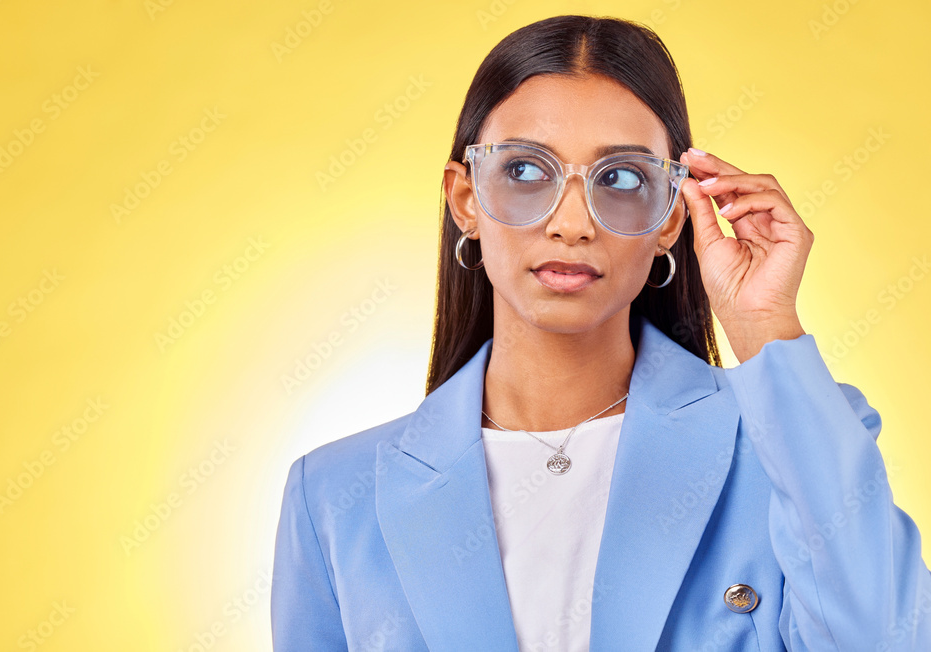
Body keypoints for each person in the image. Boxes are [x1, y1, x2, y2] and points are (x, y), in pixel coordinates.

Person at [271, 14, 931, 651]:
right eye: (526, 170)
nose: (572, 222)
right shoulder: (333, 495)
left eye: (620, 179)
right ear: (466, 198)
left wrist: (765, 326)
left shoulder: (789, 442)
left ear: (672, 215)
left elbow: (884, 639)